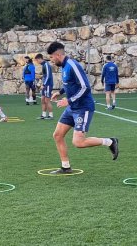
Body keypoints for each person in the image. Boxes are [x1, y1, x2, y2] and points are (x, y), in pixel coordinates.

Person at [47, 42, 119, 174]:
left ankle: (110, 142)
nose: (51, 60)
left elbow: (85, 87)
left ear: (57, 55)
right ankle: (66, 167)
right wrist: (61, 92)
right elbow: (71, 83)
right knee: (57, 135)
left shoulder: (72, 65)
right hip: (72, 108)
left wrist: (68, 101)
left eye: (51, 57)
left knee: (78, 142)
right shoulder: (64, 67)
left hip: (83, 108)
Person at [34, 53, 53, 119]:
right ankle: (43, 115)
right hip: (44, 85)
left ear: (40, 59)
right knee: (42, 100)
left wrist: (44, 85)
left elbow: (48, 76)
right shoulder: (43, 65)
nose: (37, 62)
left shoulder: (46, 65)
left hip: (48, 85)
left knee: (47, 100)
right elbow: (45, 76)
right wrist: (41, 79)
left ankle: (50, 115)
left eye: (37, 60)